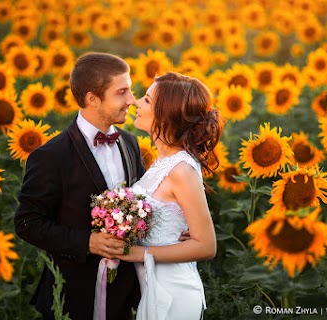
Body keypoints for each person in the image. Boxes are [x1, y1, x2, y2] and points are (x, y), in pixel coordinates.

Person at [14, 52, 145, 320]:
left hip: (126, 295)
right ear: (91, 98)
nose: (132, 100)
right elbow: (27, 222)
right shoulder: (51, 156)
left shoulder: (130, 144)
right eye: (122, 92)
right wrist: (87, 242)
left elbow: (146, 203)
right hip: (72, 295)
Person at [118, 72, 224, 320]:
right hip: (154, 286)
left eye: (146, 100)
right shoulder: (163, 161)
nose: (136, 103)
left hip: (174, 292)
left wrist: (139, 254)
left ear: (166, 113)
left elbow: (207, 246)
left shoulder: (181, 169)